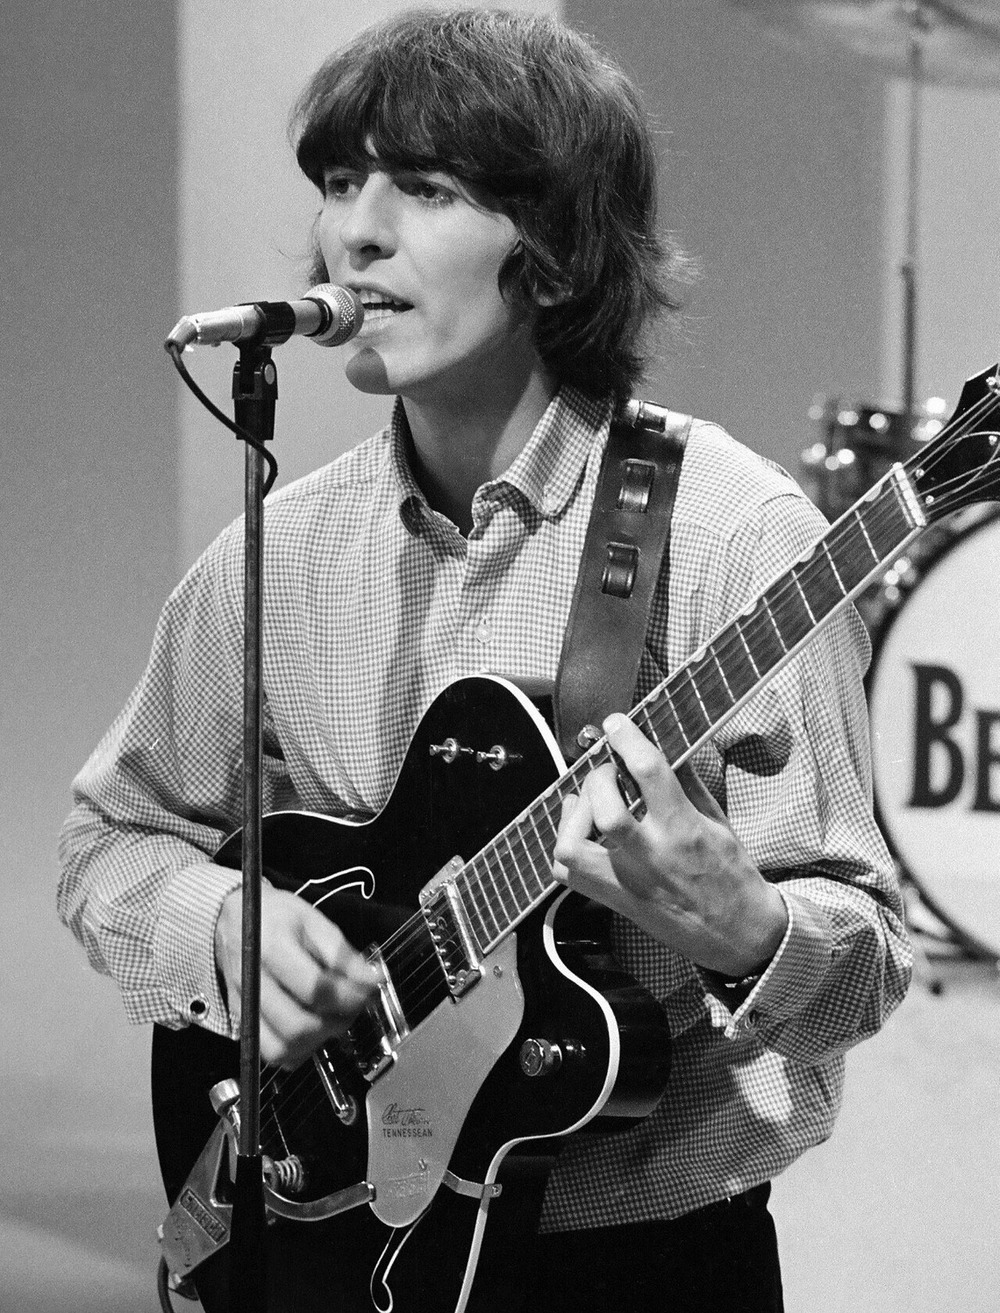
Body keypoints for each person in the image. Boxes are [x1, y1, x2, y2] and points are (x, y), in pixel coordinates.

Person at [58, 8, 911, 1312]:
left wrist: (750, 931)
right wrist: (220, 928)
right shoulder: (280, 552)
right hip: (333, 1238)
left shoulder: (740, 538)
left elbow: (868, 960)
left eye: (427, 187)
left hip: (638, 1271)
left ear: (556, 253)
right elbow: (110, 840)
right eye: (341, 181)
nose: (355, 232)